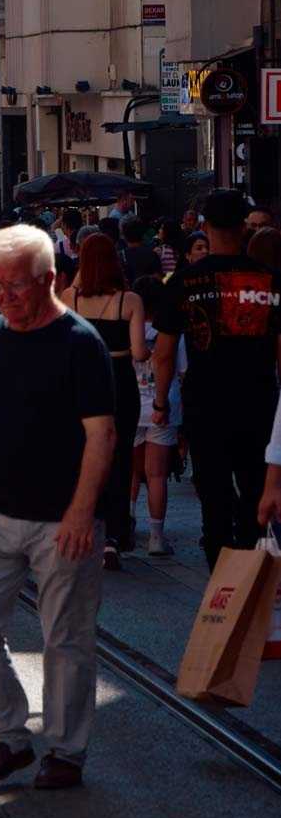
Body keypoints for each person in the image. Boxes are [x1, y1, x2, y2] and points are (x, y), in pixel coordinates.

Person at [0, 225, 116, 790]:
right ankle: (10, 737)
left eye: (17, 287)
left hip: (59, 522)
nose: (6, 298)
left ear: (48, 281)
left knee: (65, 639)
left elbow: (102, 435)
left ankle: (66, 752)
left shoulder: (81, 344)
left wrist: (80, 512)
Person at [153, 187, 281, 567]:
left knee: (213, 495)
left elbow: (162, 354)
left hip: (205, 403)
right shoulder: (271, 281)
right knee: (256, 490)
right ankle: (252, 566)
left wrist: (161, 403)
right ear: (244, 227)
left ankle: (221, 583)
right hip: (258, 402)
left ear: (205, 227)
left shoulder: (182, 282)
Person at [63, 234, 146, 569]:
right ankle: (114, 534)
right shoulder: (130, 300)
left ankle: (90, 524)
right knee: (121, 455)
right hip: (121, 380)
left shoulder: (71, 298)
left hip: (85, 381)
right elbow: (140, 352)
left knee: (86, 454)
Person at [131, 276, 184, 557]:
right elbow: (182, 369)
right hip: (162, 405)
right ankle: (156, 536)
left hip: (133, 405)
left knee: (132, 470)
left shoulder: (129, 329)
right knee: (157, 475)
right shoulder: (172, 330)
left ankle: (127, 522)